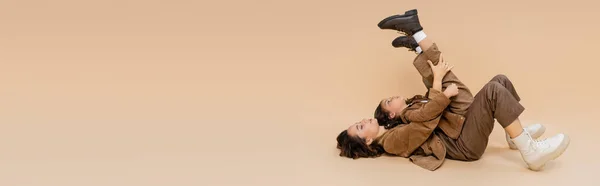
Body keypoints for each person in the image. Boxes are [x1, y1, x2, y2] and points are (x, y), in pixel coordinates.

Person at [336, 9, 570, 171]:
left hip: (456, 127)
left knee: (500, 81)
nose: (364, 120)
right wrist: (440, 89)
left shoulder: (391, 128)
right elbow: (425, 122)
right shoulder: (390, 141)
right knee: (492, 91)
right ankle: (531, 152)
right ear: (366, 141)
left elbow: (426, 110)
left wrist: (437, 84)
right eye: (360, 126)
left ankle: (515, 136)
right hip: (463, 144)